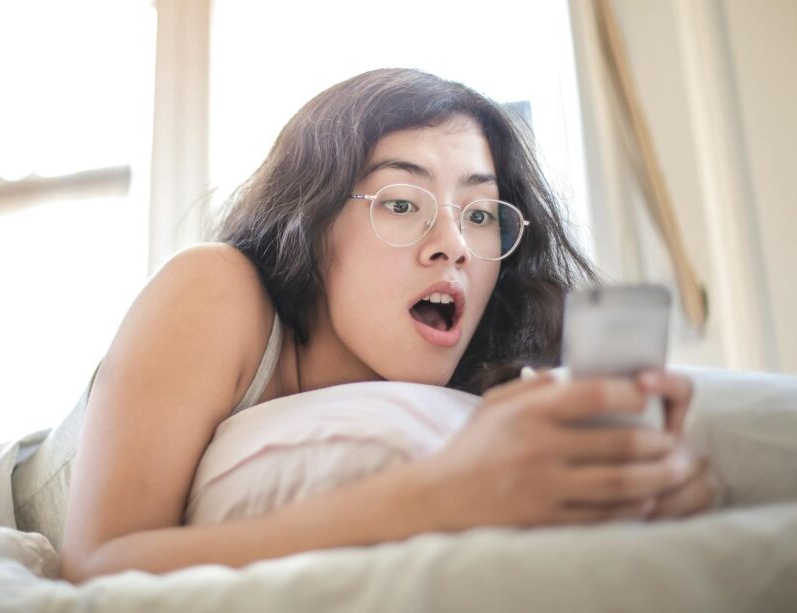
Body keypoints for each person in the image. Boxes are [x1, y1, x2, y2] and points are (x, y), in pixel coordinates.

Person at [58, 68, 716, 582]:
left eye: (482, 214)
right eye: (403, 203)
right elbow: (96, 565)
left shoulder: (483, 377)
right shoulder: (215, 288)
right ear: (311, 223)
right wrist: (438, 496)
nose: (454, 243)